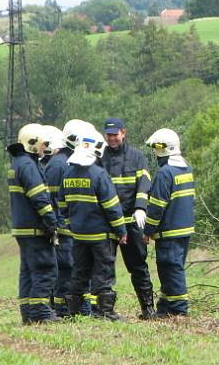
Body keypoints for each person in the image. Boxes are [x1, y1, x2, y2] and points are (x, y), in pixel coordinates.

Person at [60, 130, 128, 321]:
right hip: (100, 237)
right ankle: (104, 311)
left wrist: (71, 225)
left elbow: (63, 206)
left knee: (79, 272)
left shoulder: (67, 174)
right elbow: (112, 207)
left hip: (79, 235)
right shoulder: (99, 175)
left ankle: (72, 312)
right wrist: (121, 230)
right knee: (103, 273)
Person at [99, 118, 155, 319]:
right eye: (109, 135)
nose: (112, 138)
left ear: (124, 133)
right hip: (108, 224)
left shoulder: (137, 157)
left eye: (115, 134)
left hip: (132, 222)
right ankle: (104, 310)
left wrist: (140, 208)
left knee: (138, 266)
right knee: (103, 268)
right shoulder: (100, 158)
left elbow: (144, 184)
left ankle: (148, 308)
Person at [7, 123, 60, 325]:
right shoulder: (28, 166)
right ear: (33, 143)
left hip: (22, 227)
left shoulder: (18, 163)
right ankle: (39, 312)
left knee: (28, 271)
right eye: (42, 143)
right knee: (45, 269)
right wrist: (51, 222)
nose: (44, 147)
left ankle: (28, 312)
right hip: (34, 228)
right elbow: (39, 198)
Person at [143, 128, 195, 317]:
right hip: (184, 229)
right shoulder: (186, 169)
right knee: (168, 269)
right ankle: (165, 307)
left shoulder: (165, 173)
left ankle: (179, 309)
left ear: (163, 149)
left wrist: (147, 230)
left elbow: (156, 207)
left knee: (171, 268)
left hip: (170, 231)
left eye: (156, 149)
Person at [41, 125, 73, 318]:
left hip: (63, 224)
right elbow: (55, 199)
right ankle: (60, 308)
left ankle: (59, 306)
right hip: (63, 226)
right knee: (64, 267)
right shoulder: (59, 164)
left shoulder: (57, 163)